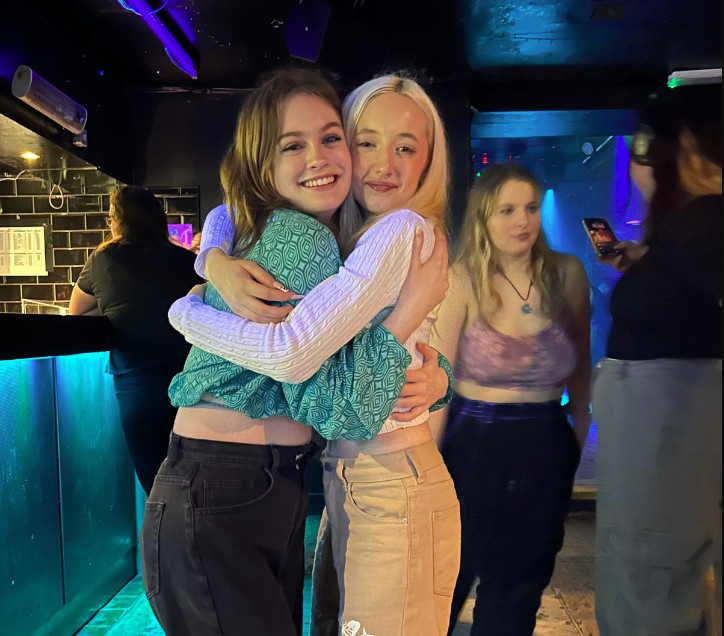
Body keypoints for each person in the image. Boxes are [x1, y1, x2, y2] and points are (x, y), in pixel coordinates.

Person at [143, 68, 450, 636]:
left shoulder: (352, 240)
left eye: (331, 138)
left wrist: (194, 301)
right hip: (233, 484)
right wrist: (198, 289)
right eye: (293, 145)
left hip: (249, 484)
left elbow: (318, 355)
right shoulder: (308, 239)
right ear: (262, 165)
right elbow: (304, 365)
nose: (319, 158)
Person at [428, 163, 591, 636]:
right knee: (448, 576)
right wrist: (429, 469)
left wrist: (577, 440)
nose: (523, 221)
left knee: (522, 581)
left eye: (531, 208)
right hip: (473, 442)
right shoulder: (461, 279)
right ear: (483, 217)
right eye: (507, 210)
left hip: (545, 440)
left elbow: (582, 368)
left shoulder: (566, 274)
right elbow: (437, 384)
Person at [593, 87, 722, 635]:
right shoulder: (692, 232)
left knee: (650, 591)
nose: (639, 166)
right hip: (666, 458)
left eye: (645, 149)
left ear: (686, 151)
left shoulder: (707, 225)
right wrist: (650, 263)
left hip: (669, 460)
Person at [68, 185, 201, 494]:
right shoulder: (186, 261)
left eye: (111, 217)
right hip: (190, 378)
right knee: (191, 474)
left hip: (136, 380)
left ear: (118, 220)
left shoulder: (104, 258)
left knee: (154, 480)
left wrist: (119, 304)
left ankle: (161, 524)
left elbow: (78, 311)